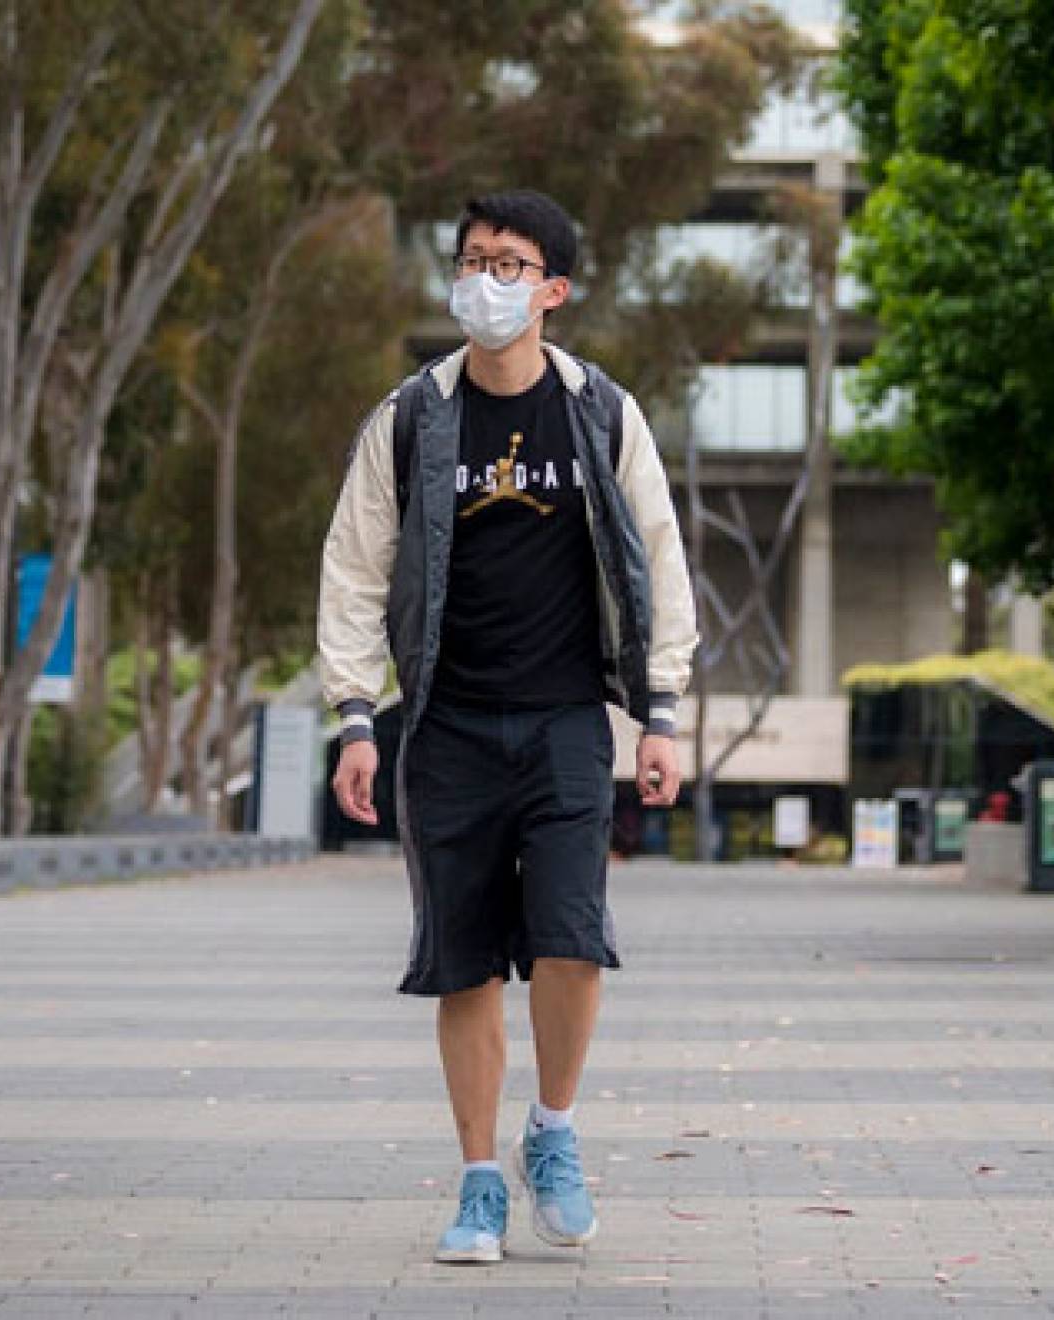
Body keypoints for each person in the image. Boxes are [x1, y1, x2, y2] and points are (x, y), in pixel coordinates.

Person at [318, 190, 698, 1263]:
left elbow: (658, 559)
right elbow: (354, 572)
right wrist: (356, 715)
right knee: (465, 961)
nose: (486, 279)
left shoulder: (602, 413)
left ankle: (555, 1131)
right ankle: (480, 1180)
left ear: (554, 291)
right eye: (474, 259)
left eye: (510, 263)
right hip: (446, 727)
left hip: (570, 720)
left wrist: (660, 713)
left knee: (572, 938)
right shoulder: (411, 418)